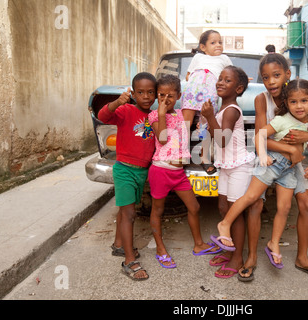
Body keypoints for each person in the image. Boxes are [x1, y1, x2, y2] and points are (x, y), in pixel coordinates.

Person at [216, 54, 308, 281]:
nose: (271, 82)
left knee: (305, 202)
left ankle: (302, 257)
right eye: (266, 77)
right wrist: (291, 149)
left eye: (276, 75)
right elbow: (261, 138)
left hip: (293, 162)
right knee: (255, 202)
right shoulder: (261, 99)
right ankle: (251, 258)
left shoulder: (299, 95)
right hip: (269, 156)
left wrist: (306, 139)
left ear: (288, 74)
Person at [147, 74, 221, 269]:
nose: (165, 100)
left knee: (194, 207)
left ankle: (198, 245)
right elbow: (162, 139)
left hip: (179, 172)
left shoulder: (181, 115)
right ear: (156, 96)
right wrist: (162, 114)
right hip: (161, 170)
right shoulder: (154, 115)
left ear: (178, 95)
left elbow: (197, 117)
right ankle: (160, 249)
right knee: (158, 210)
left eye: (170, 95)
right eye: (161, 95)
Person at [98, 72, 157, 281]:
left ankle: (118, 246)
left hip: (142, 172)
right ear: (133, 93)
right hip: (124, 169)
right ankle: (129, 260)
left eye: (151, 92)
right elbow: (103, 116)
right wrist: (116, 102)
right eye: (140, 92)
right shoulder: (126, 110)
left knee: (125, 210)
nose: (146, 96)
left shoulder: (154, 117)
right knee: (130, 213)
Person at [201, 66, 256, 279]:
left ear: (239, 88)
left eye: (228, 80)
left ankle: (237, 258)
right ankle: (228, 249)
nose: (221, 82)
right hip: (226, 166)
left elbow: (222, 139)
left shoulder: (232, 109)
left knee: (235, 213)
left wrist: (209, 117)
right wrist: (207, 118)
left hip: (240, 167)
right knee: (223, 207)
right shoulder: (223, 109)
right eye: (220, 78)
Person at [181, 29, 233, 175]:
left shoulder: (224, 58)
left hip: (210, 92)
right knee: (185, 122)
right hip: (192, 89)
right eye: (213, 42)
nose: (218, 45)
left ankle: (204, 157)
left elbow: (233, 74)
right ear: (203, 47)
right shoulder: (198, 57)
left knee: (206, 123)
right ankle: (181, 153)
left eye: (220, 42)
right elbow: (188, 75)